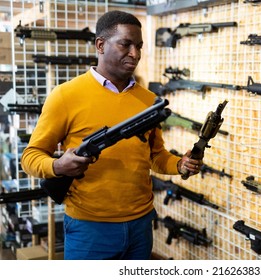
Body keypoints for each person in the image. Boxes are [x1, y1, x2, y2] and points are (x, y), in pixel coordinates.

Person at [21, 10, 203, 260]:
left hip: (141, 223)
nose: (135, 54)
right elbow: (30, 157)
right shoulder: (65, 95)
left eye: (138, 46)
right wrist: (58, 166)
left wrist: (179, 165)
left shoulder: (149, 101)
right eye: (125, 44)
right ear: (100, 44)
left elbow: (156, 155)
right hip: (90, 229)